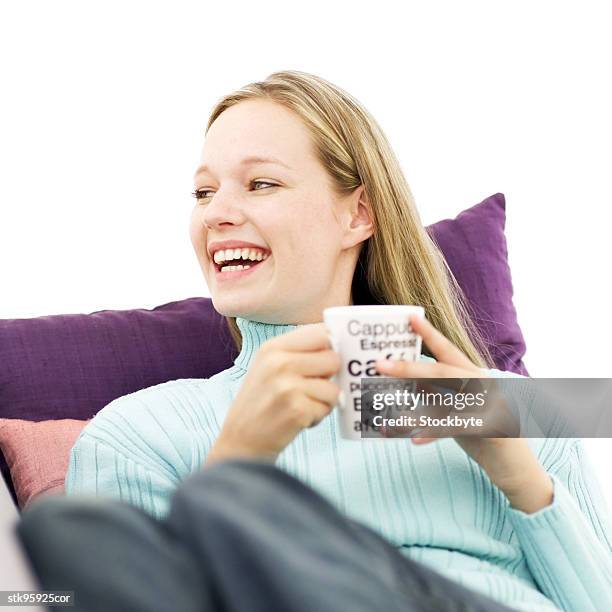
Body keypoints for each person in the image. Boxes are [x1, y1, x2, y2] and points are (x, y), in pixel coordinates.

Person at [19, 70, 612, 611]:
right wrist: (237, 462)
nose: (217, 212)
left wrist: (518, 473)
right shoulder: (137, 433)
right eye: (203, 193)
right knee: (68, 532)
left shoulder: (506, 405)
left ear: (357, 215)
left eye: (260, 183)